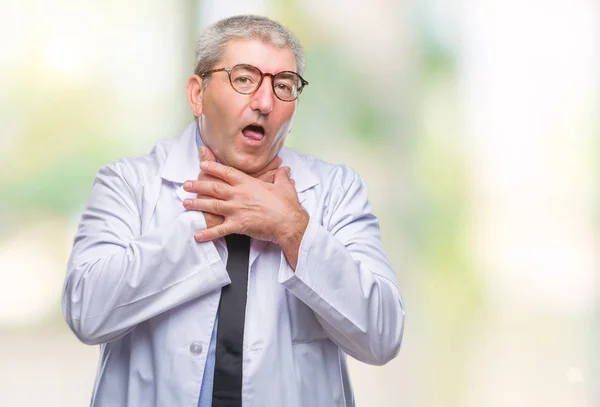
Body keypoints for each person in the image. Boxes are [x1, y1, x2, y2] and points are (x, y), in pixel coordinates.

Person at [62, 14, 405, 407]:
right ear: (197, 94)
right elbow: (86, 311)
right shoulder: (128, 184)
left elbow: (383, 336)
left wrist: (293, 230)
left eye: (284, 85)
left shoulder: (336, 191)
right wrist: (209, 218)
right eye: (244, 79)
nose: (264, 102)